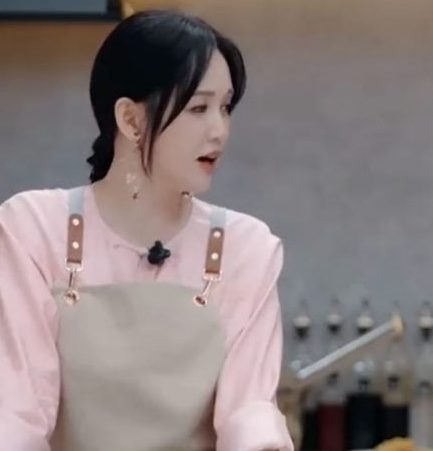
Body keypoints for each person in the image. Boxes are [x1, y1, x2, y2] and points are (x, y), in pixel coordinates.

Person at [0, 10, 292, 451]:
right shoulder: (33, 228)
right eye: (199, 108)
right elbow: (16, 410)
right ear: (131, 120)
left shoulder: (247, 249)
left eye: (225, 107)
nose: (220, 130)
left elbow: (248, 411)